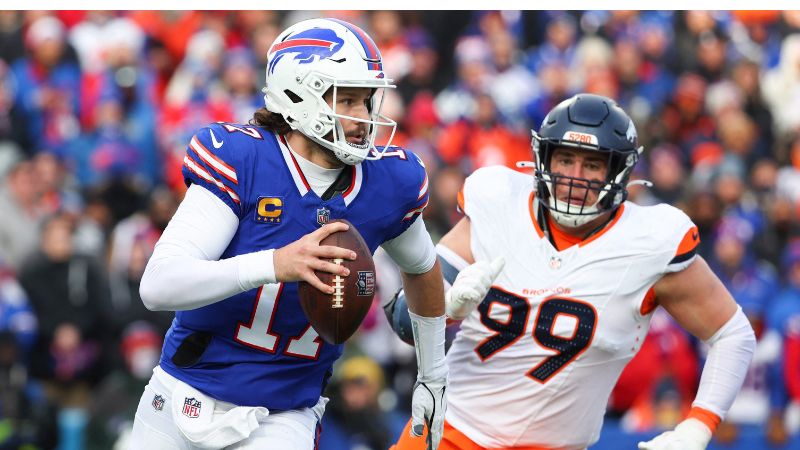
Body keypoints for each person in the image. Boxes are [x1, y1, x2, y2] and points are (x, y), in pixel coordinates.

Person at [130, 18, 447, 450]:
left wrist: (433, 375)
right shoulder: (245, 158)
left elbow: (423, 268)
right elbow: (158, 285)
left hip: (284, 414)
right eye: (346, 99)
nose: (362, 118)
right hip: (184, 393)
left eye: (367, 100)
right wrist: (274, 264)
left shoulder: (387, 181)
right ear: (298, 94)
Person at [387, 94, 756, 450]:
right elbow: (406, 320)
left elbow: (732, 334)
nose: (575, 177)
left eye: (593, 165)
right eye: (565, 159)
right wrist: (446, 306)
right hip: (448, 433)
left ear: (619, 171)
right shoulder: (498, 201)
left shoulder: (650, 240)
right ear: (543, 159)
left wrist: (699, 424)